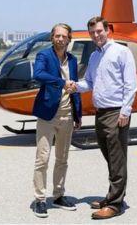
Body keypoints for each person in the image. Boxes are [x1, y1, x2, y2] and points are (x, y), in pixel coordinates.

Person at [69, 16, 137, 219]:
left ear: (108, 30)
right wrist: (75, 86)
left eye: (99, 31)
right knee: (110, 156)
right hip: (101, 113)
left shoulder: (121, 52)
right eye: (92, 33)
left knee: (117, 158)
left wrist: (125, 111)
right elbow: (89, 82)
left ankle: (115, 204)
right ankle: (113, 195)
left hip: (116, 112)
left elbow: (131, 84)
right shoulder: (94, 57)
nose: (96, 35)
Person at [31, 23, 82, 218]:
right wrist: (61, 82)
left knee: (63, 158)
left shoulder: (72, 60)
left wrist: (78, 115)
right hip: (47, 114)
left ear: (69, 39)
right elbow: (38, 74)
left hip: (67, 115)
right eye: (57, 36)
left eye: (64, 36)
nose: (60, 39)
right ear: (52, 38)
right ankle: (40, 199)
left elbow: (75, 88)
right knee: (42, 158)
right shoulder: (44, 55)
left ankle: (59, 195)